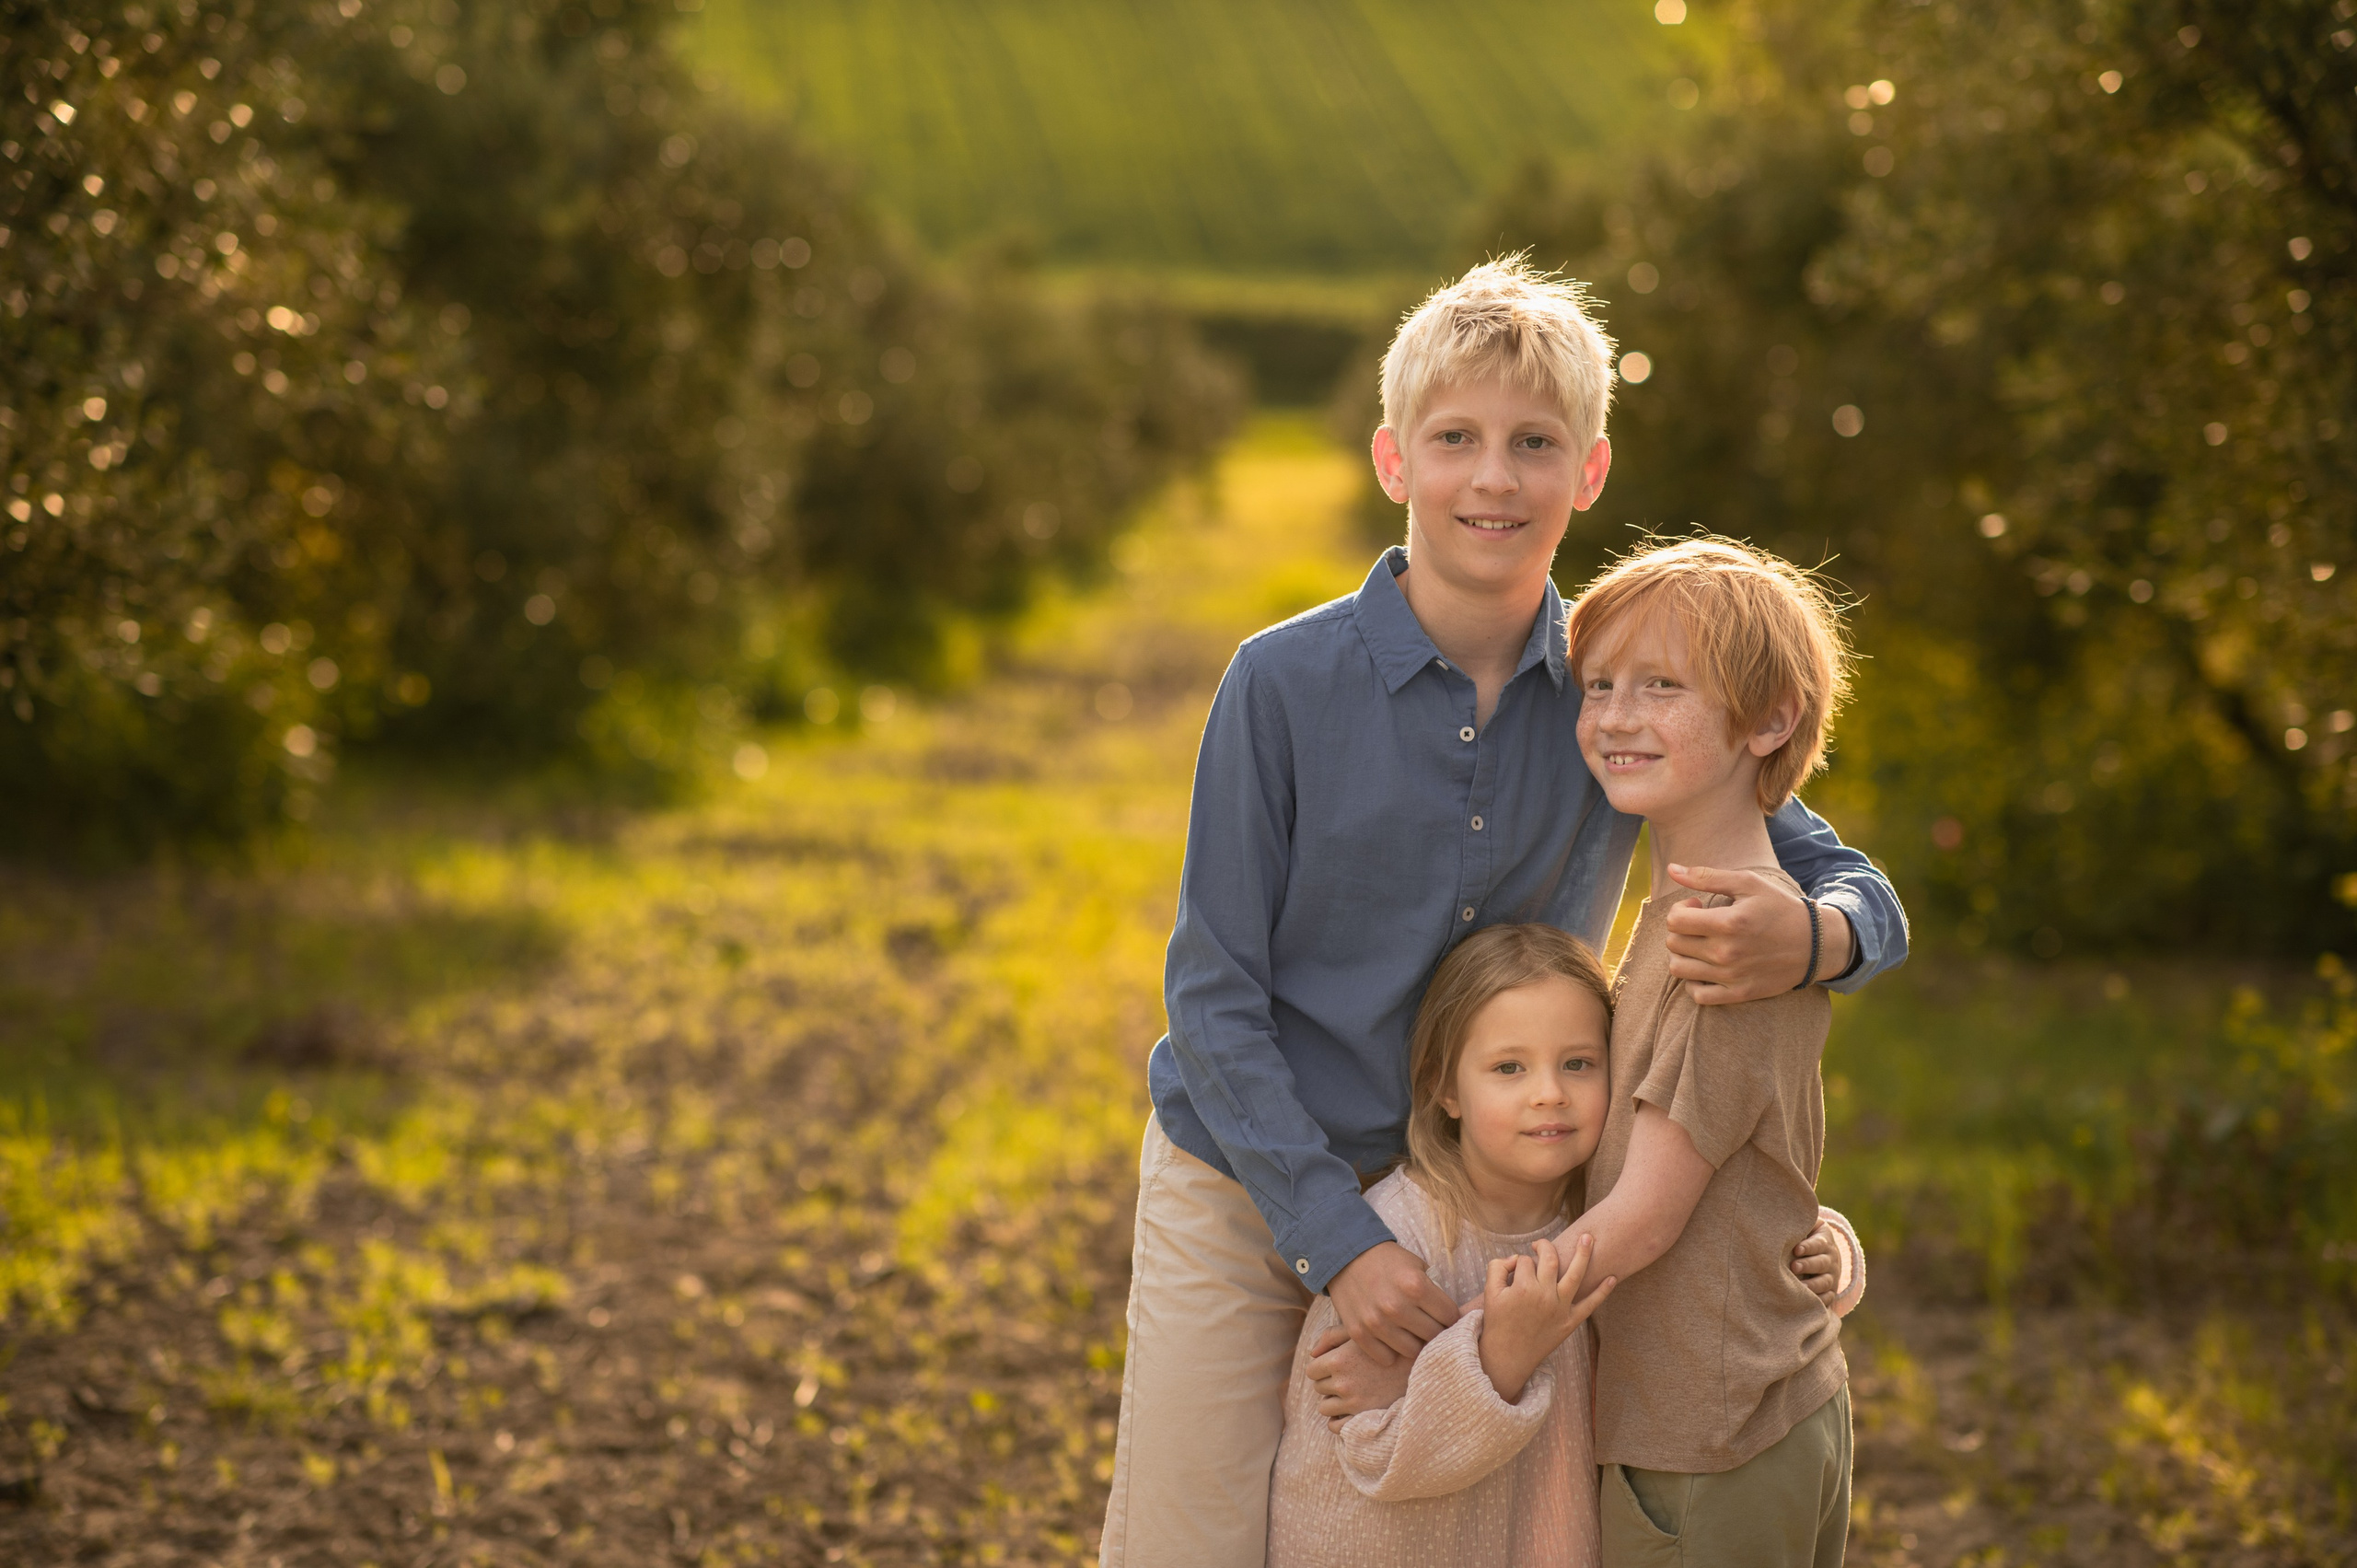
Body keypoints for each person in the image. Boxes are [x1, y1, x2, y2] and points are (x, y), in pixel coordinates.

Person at [1099, 256, 1906, 1568]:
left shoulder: (1619, 684)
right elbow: (1212, 999)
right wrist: (1340, 1242)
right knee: (1197, 1537)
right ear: (1392, 459)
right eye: (1457, 439)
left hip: (1497, 1194)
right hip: (1255, 1182)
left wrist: (1826, 935)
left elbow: (1834, 870)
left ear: (1588, 472)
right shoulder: (1282, 682)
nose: (1493, 477)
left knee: (1458, 1528)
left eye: (1534, 443)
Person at [1264, 923, 1864, 1568]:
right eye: (1509, 1067)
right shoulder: (1396, 1245)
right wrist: (1498, 1357)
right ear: (1444, 1086)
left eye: (1578, 1062)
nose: (1549, 1091)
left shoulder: (1613, 1213)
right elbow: (1370, 1457)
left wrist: (1833, 1249)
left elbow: (1730, 1228)